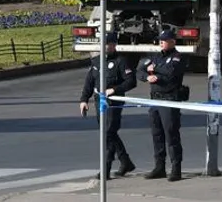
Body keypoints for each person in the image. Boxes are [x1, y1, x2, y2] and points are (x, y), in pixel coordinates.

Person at [78, 32, 137, 179]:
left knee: (108, 133)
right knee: (108, 133)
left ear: (113, 45)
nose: (104, 46)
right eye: (102, 44)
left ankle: (106, 168)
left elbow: (131, 81)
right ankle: (125, 161)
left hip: (113, 102)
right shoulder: (96, 61)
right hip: (99, 101)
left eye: (108, 44)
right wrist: (84, 99)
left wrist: (114, 89)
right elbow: (90, 81)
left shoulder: (121, 61)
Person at [136, 29, 187, 182]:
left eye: (164, 40)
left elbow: (171, 73)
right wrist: (147, 77)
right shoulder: (156, 56)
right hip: (155, 100)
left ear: (173, 41)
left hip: (169, 99)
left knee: (171, 134)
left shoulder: (177, 57)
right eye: (160, 40)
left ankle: (176, 168)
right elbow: (139, 70)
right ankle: (160, 167)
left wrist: (154, 70)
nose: (161, 43)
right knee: (157, 134)